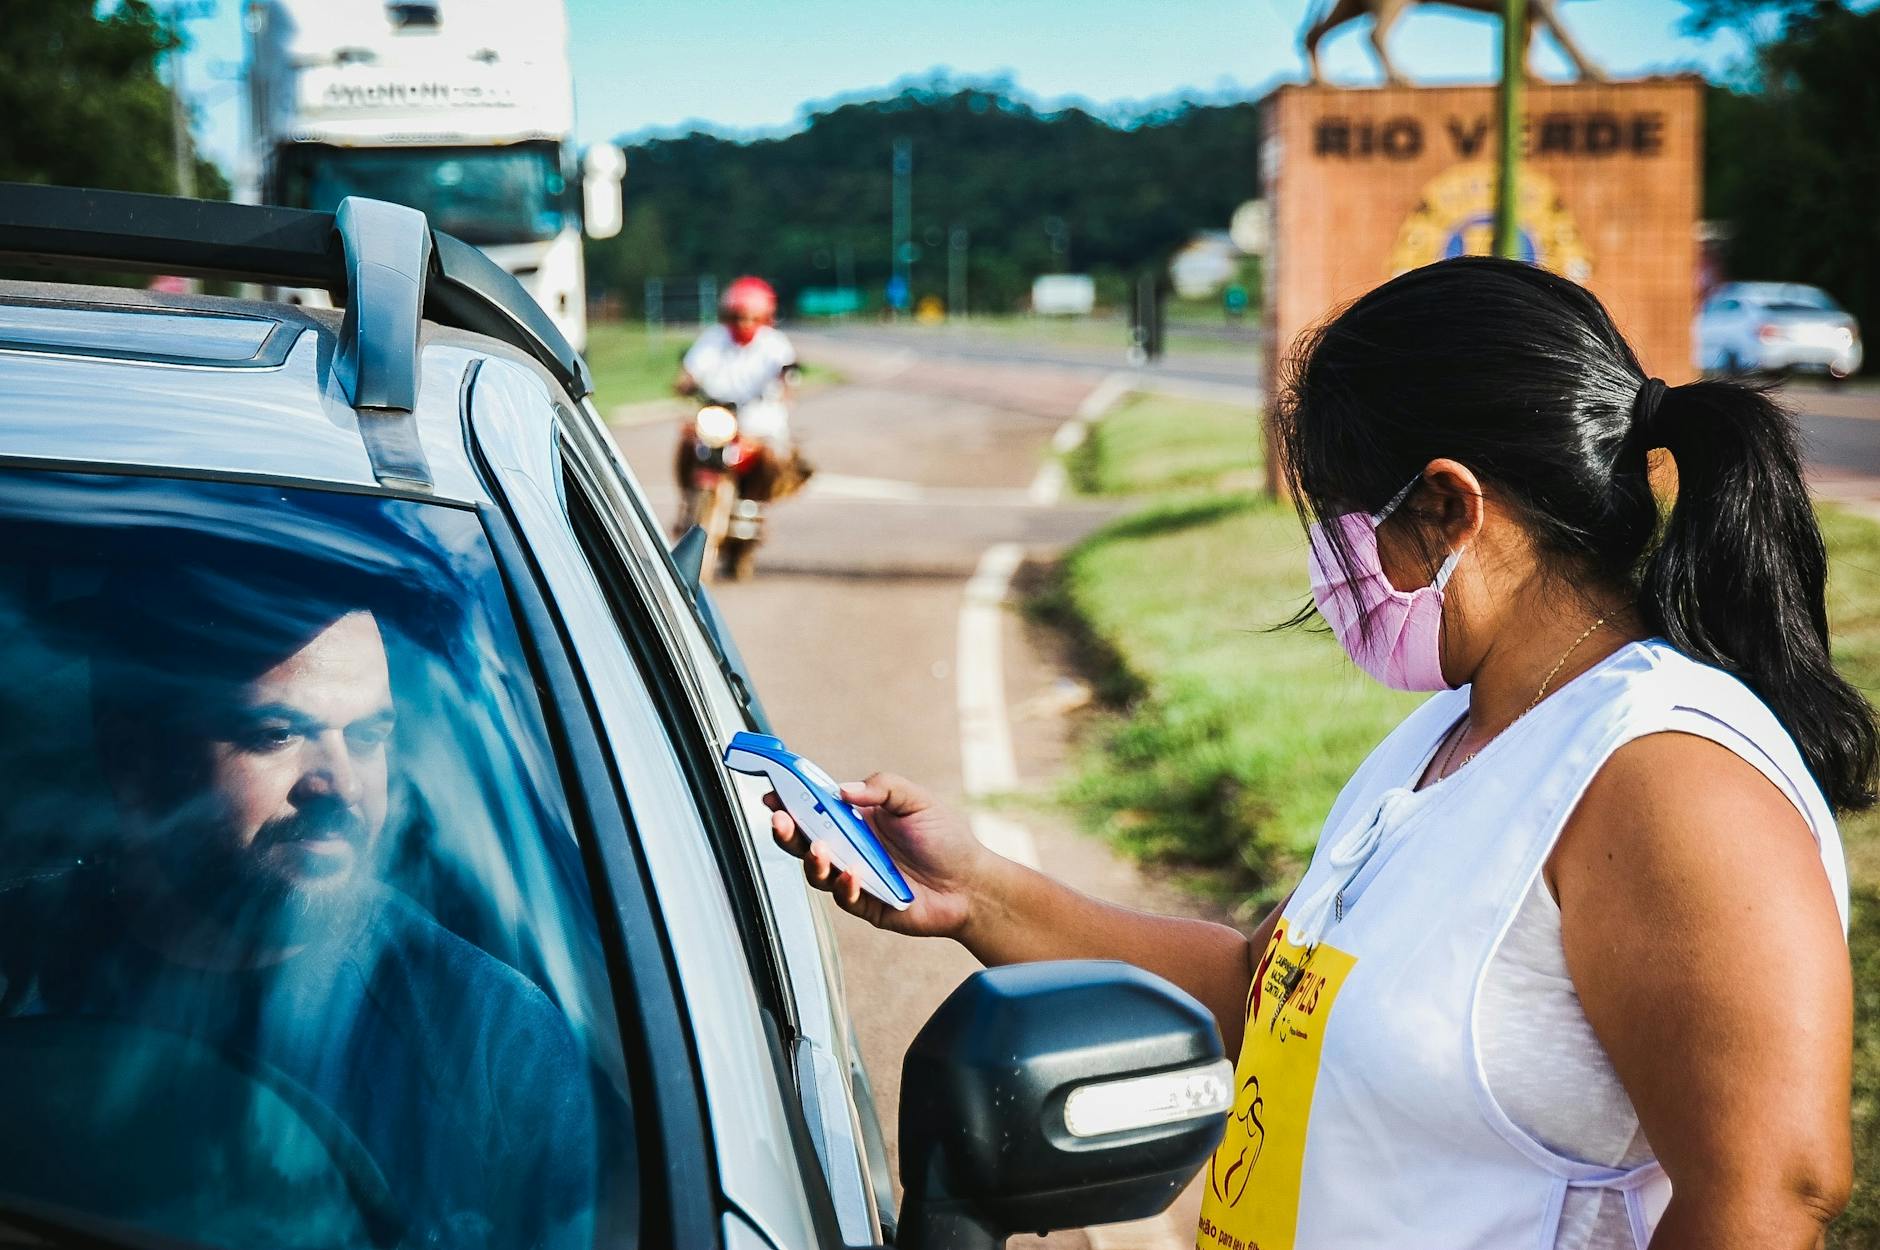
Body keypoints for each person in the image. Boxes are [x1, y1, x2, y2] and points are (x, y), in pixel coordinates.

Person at [770, 256, 1867, 1249]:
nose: (1323, 569)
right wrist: (972, 889)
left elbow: (1766, 1192)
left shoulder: (1665, 779)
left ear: (1445, 505)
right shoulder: (1450, 734)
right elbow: (1268, 993)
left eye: (1338, 517)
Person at [0, 563, 596, 1248]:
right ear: (136, 761)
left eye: (368, 736)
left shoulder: (492, 1044)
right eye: (276, 735)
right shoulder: (18, 975)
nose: (340, 786)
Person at [673, 275, 805, 502]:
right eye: (737, 317)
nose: (744, 323)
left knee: (774, 458)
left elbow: (788, 374)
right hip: (719, 416)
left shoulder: (774, 343)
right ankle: (689, 499)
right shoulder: (714, 338)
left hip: (759, 420)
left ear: (764, 317)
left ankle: (754, 502)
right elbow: (692, 369)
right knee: (688, 442)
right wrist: (686, 383)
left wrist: (784, 390)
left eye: (751, 318)